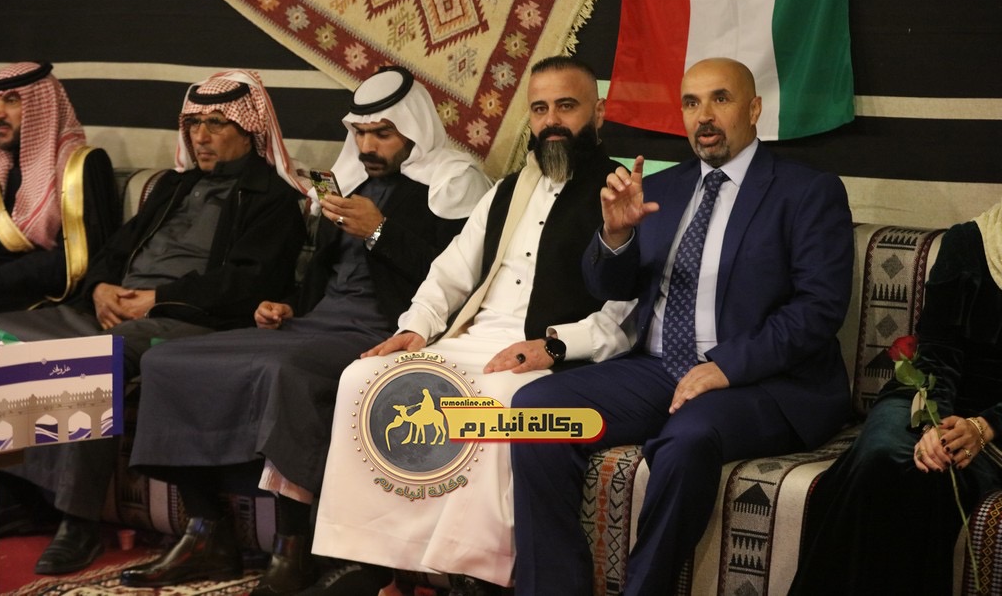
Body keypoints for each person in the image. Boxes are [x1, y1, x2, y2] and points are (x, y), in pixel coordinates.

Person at [117, 66, 491, 594]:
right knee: (165, 361)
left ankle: (292, 548)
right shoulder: (352, 181)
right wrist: (286, 308)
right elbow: (324, 274)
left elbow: (460, 282)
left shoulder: (455, 182)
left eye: (382, 134)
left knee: (288, 371)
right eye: (360, 133)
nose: (367, 146)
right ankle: (207, 531)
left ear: (414, 130)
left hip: (389, 329)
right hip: (318, 323)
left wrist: (380, 231)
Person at [509, 57, 855, 595]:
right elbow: (610, 287)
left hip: (761, 380)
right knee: (534, 412)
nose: (704, 116)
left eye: (721, 99)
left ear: (754, 109)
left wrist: (725, 367)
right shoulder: (662, 189)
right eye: (692, 103)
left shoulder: (807, 191)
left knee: (687, 439)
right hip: (656, 369)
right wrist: (615, 237)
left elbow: (819, 309)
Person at [308, 55, 636, 596]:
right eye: (539, 109)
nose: (552, 120)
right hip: (471, 339)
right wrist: (416, 328)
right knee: (362, 379)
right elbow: (451, 271)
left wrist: (554, 345)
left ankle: (474, 573)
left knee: (491, 406)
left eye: (566, 106)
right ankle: (377, 562)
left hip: (549, 352)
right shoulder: (507, 189)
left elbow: (626, 308)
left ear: (597, 113)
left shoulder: (619, 191)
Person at [0, 69, 308, 575]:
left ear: (249, 130)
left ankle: (78, 523)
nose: (201, 136)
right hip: (116, 310)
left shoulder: (272, 199)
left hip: (190, 321)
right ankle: (13, 496)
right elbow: (114, 251)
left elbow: (245, 284)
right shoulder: (174, 187)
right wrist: (101, 288)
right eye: (194, 124)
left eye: (216, 123)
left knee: (89, 362)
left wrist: (157, 300)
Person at [788, 203, 1002, 595]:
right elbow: (938, 352)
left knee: (931, 480)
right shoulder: (970, 241)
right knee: (888, 455)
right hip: (929, 394)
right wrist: (933, 424)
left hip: (994, 429)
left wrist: (985, 425)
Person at [0, 61, 120, 314]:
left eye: (11, 101)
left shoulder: (82, 164)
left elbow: (79, 258)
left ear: (42, 107)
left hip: (42, 295)